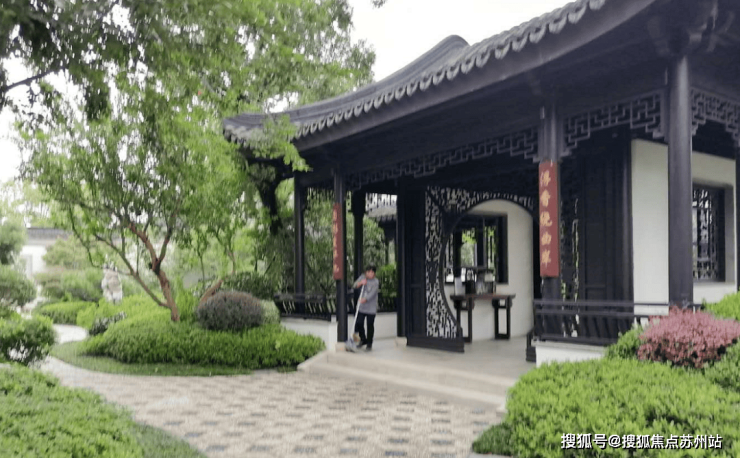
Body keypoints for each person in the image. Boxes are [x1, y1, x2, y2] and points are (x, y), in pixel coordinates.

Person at [352, 264, 379, 351]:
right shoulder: (362, 277)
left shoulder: (376, 282)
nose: (370, 274)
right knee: (359, 323)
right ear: (366, 272)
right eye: (368, 272)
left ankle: (369, 343)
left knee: (370, 325)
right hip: (361, 307)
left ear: (374, 273)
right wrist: (360, 283)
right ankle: (363, 339)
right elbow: (354, 285)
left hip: (371, 307)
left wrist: (365, 299)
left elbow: (372, 293)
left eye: (372, 272)